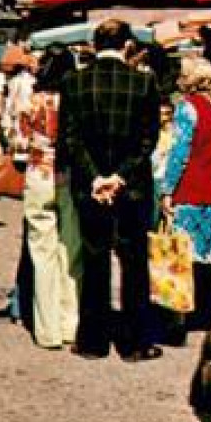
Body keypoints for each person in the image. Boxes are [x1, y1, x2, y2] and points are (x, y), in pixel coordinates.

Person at [58, 19, 162, 362]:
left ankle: (93, 340)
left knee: (94, 257)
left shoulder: (74, 82)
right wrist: (119, 176)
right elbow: (147, 141)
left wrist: (95, 177)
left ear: (93, 44)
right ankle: (134, 342)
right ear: (127, 46)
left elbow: (70, 139)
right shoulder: (144, 83)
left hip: (90, 186)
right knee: (134, 262)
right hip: (131, 186)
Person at [160, 55, 211, 331]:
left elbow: (179, 153)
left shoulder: (188, 109)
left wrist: (167, 190)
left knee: (181, 254)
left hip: (190, 189)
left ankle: (177, 316)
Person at [21, 48, 80, 350]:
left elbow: (17, 138)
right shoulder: (77, 98)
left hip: (39, 174)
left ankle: (47, 330)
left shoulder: (31, 100)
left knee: (42, 253)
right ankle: (71, 323)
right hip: (69, 176)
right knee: (69, 249)